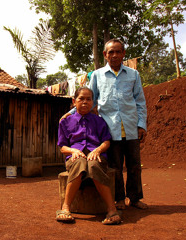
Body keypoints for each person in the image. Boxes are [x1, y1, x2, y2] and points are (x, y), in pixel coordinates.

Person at [62, 38, 147, 210]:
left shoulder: (133, 75)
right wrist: (70, 113)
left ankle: (135, 197)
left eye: (118, 51)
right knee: (114, 166)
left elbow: (140, 102)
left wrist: (141, 125)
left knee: (134, 165)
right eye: (111, 52)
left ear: (123, 54)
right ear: (105, 55)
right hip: (109, 129)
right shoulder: (97, 75)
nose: (114, 55)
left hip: (131, 128)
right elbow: (89, 100)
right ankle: (119, 199)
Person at [56, 87, 121, 225]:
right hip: (75, 157)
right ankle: (65, 208)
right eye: (81, 99)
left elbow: (106, 141)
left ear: (93, 102)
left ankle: (112, 209)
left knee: (93, 165)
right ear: (74, 101)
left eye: (88, 99)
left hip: (96, 155)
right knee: (79, 163)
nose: (85, 102)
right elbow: (62, 147)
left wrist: (97, 150)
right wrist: (73, 151)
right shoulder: (65, 122)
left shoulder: (99, 121)